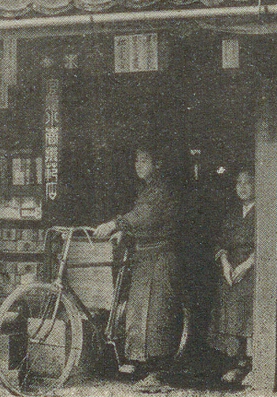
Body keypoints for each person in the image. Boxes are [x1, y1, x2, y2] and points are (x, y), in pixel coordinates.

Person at [95, 147, 183, 384]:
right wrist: (124, 232)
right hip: (144, 257)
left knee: (157, 314)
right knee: (137, 311)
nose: (138, 165)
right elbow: (140, 217)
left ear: (157, 163)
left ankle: (159, 369)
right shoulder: (146, 188)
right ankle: (141, 363)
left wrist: (116, 224)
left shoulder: (161, 188)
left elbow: (146, 215)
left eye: (144, 160)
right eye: (136, 160)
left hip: (160, 257)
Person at [208, 169, 255, 384]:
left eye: (248, 182)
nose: (242, 187)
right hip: (231, 268)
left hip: (253, 267)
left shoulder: (263, 211)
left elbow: (267, 243)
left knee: (246, 303)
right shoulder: (232, 213)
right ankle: (235, 361)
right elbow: (221, 242)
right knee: (227, 300)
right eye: (239, 183)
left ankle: (249, 363)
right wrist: (225, 263)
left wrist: (246, 265)